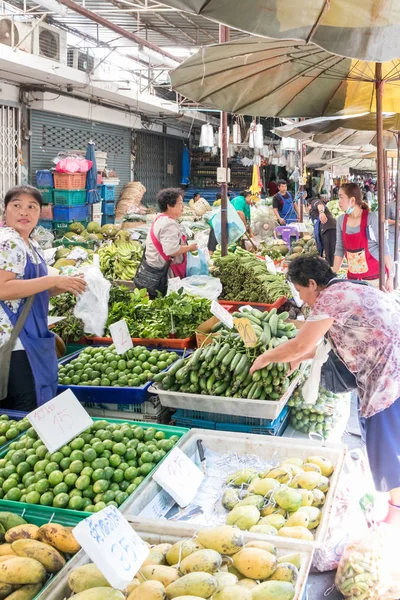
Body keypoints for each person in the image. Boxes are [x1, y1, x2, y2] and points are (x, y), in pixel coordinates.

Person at [250, 255, 400, 526]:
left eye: (299, 291)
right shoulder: (347, 287)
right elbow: (327, 342)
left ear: (311, 283)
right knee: (385, 435)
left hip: (387, 373)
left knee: (385, 442)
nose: (301, 299)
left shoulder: (329, 299)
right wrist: (300, 356)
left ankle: (394, 513)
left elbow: (299, 345)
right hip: (388, 363)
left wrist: (266, 357)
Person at [0, 185, 86, 411]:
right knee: (25, 411)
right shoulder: (8, 242)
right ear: (5, 210)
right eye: (16, 206)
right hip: (14, 340)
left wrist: (64, 285)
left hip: (31, 337)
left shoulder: (31, 244)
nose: (24, 212)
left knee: (35, 404)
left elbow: (30, 291)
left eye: (32, 207)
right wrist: (51, 281)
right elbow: (3, 289)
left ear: (40, 213)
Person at [333, 182, 393, 290]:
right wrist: (333, 276)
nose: (339, 201)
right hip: (353, 278)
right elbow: (339, 249)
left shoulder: (371, 218)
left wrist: (390, 277)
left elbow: (384, 248)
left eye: (341, 198)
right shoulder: (341, 220)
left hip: (375, 277)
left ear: (352, 200)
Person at [145, 188, 197, 280]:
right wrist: (189, 248)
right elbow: (171, 250)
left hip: (156, 268)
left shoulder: (160, 219)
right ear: (169, 206)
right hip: (165, 273)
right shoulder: (168, 224)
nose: (183, 207)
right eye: (180, 204)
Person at [308, 196, 337, 266]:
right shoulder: (313, 213)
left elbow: (320, 204)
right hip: (326, 230)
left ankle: (332, 271)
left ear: (308, 204)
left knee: (330, 253)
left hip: (329, 229)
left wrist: (321, 212)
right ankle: (330, 268)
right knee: (328, 253)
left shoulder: (313, 202)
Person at [386, 195, 399, 263]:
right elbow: (385, 220)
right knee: (392, 255)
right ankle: (392, 272)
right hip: (392, 235)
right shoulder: (390, 205)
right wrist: (396, 222)